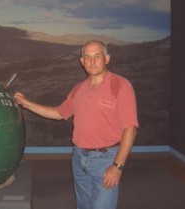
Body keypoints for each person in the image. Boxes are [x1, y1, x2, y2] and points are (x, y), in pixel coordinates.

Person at [14, 40, 138, 209]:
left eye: (97, 56)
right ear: (82, 61)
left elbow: (130, 128)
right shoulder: (78, 88)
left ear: (107, 58)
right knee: (83, 205)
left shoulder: (121, 86)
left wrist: (117, 166)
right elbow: (58, 113)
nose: (92, 61)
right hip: (79, 158)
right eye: (87, 57)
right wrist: (28, 104)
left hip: (106, 159)